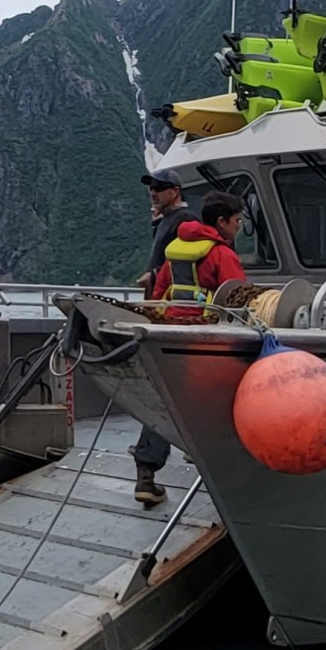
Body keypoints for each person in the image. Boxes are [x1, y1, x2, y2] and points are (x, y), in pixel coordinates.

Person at [132, 169, 199, 506]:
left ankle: (148, 469)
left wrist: (154, 276)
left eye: (159, 188)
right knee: (176, 389)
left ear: (175, 190)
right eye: (150, 189)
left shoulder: (184, 221)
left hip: (172, 316)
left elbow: (183, 265)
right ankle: (156, 465)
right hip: (168, 315)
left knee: (164, 391)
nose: (153, 193)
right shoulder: (168, 221)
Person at [150, 190, 248, 320]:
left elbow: (159, 291)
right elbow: (238, 297)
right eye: (237, 220)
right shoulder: (223, 255)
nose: (238, 226)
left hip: (172, 322)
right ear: (221, 222)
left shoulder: (177, 249)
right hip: (205, 327)